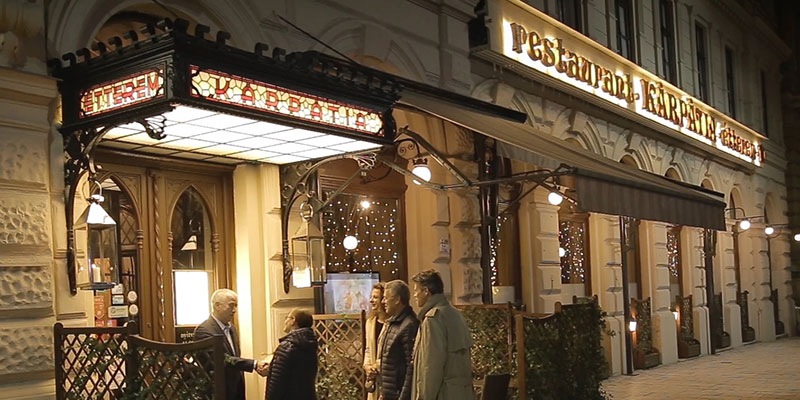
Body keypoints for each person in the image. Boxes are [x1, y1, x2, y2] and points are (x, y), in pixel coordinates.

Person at [411, 269, 474, 400]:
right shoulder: (455, 314)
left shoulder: (433, 319)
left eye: (416, 290)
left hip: (443, 394)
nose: (414, 295)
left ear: (426, 291)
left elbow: (431, 366)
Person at [194, 289, 265, 400]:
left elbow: (235, 357)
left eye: (236, 306)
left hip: (236, 389)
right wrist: (254, 364)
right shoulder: (204, 331)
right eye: (231, 306)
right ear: (217, 306)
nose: (234, 310)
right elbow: (221, 359)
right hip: (218, 392)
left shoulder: (232, 328)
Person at [377, 280, 419, 400]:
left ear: (397, 300)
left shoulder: (409, 325)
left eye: (386, 298)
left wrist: (403, 397)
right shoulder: (393, 322)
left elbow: (410, 367)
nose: (383, 302)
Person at [265, 308, 318, 400]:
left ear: (293, 320)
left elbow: (276, 382)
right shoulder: (311, 345)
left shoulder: (287, 347)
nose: (285, 321)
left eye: (287, 318)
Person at [364, 282, 387, 399]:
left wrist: (378, 365)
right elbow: (368, 349)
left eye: (375, 297)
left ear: (384, 300)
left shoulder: (392, 324)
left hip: (388, 379)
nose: (371, 300)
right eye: (371, 296)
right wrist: (367, 366)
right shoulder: (370, 322)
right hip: (374, 381)